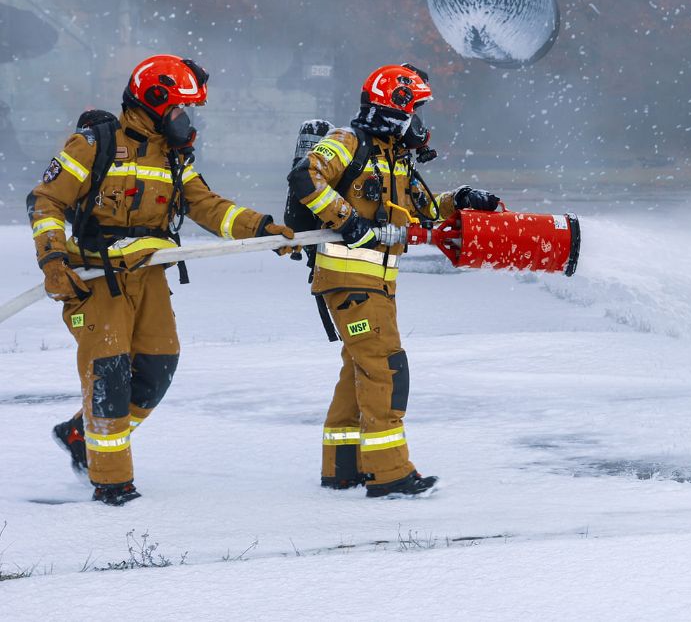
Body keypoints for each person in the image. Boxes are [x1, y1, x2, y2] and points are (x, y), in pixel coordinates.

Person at [30, 54, 294, 506]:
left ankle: (81, 434)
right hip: (97, 280)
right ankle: (112, 483)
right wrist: (53, 261)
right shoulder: (93, 144)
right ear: (153, 100)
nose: (184, 120)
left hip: (149, 276)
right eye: (178, 109)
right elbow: (46, 201)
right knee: (109, 379)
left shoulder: (174, 157)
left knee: (156, 371)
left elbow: (209, 206)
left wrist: (262, 227)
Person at [288, 63, 498, 498]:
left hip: (376, 283)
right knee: (386, 369)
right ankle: (390, 475)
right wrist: (346, 220)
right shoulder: (348, 142)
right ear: (393, 110)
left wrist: (460, 200)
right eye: (415, 111)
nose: (419, 122)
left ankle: (342, 468)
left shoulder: (393, 159)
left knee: (359, 370)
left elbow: (424, 210)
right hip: (350, 280)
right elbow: (306, 177)